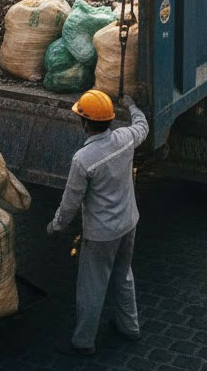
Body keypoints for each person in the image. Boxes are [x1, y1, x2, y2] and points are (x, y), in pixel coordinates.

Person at [47, 90, 148, 356]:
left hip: (102, 234)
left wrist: (56, 226)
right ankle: (130, 327)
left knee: (92, 283)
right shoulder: (125, 139)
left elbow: (70, 203)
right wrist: (132, 105)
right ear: (111, 121)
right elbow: (142, 126)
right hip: (128, 223)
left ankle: (84, 341)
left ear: (84, 123)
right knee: (123, 273)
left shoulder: (83, 160)